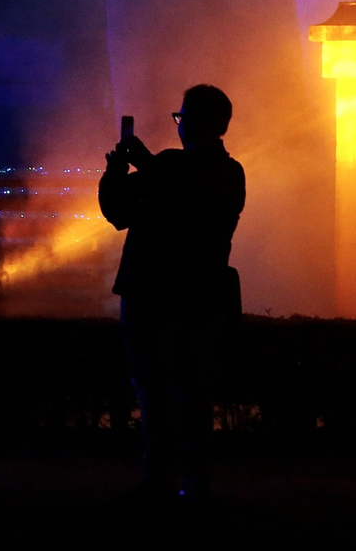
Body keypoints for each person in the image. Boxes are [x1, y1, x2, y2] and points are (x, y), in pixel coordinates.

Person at [99, 84, 246, 503]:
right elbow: (187, 187)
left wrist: (117, 171)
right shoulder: (231, 174)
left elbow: (117, 212)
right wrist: (147, 163)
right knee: (196, 393)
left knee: (154, 391)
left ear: (191, 122)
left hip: (150, 296)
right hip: (202, 298)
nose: (178, 126)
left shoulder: (165, 169)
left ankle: (158, 480)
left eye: (180, 118)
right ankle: (197, 482)